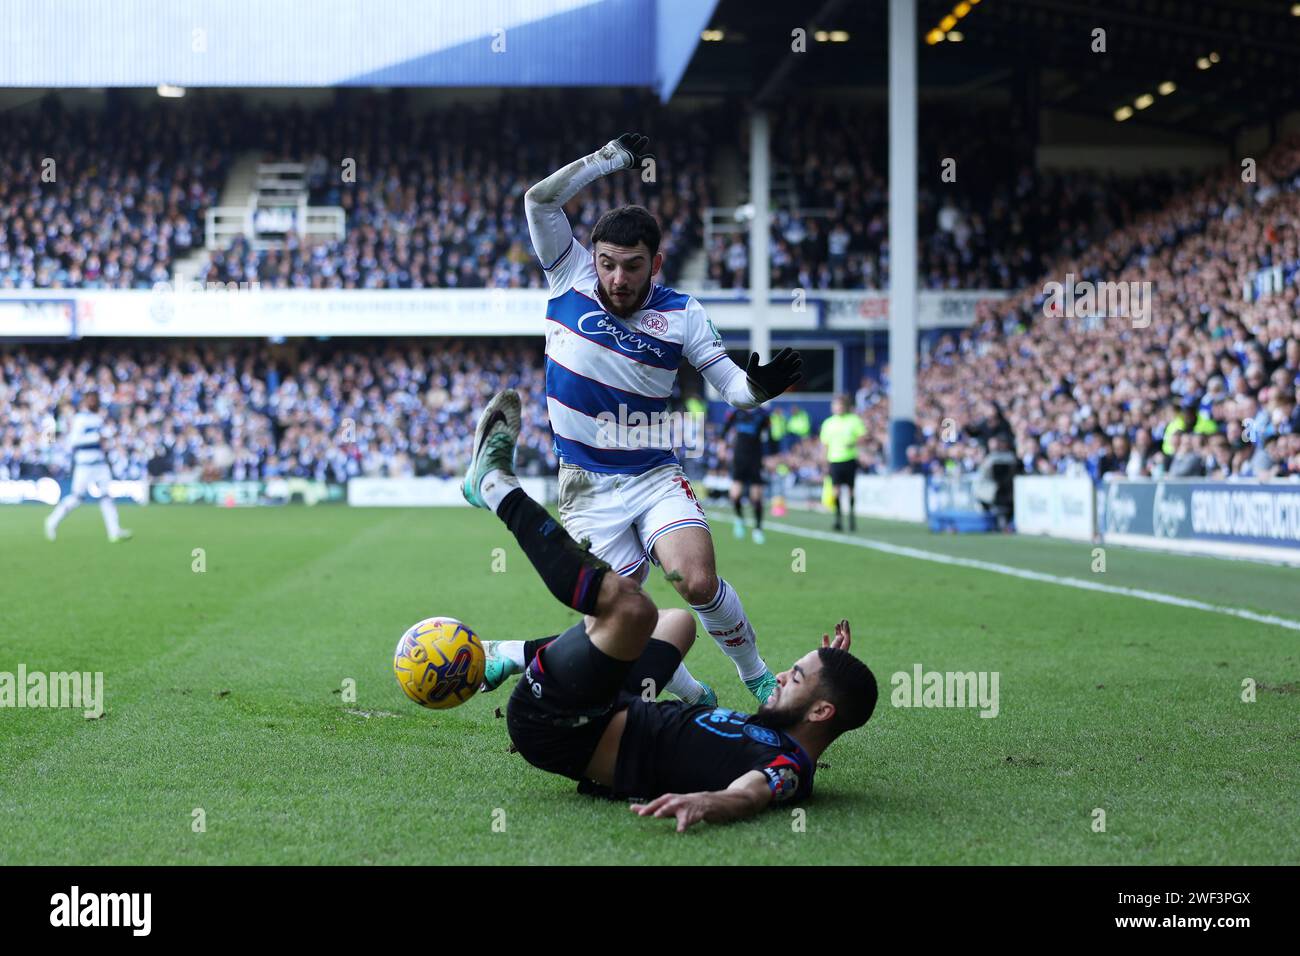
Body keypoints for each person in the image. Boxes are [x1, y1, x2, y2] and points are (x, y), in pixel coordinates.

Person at [462, 389, 878, 831]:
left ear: (820, 713)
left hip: (562, 727)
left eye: (795, 677)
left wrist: (711, 803)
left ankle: (496, 488)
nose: (780, 675)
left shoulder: (788, 765)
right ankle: (520, 657)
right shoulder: (775, 732)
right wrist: (837, 670)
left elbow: (753, 791)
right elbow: (811, 710)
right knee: (677, 621)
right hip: (612, 704)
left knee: (631, 607)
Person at [519, 132, 802, 705]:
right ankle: (695, 695)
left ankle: (757, 677)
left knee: (695, 580)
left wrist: (759, 389)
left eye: (632, 266)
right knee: (621, 616)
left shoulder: (683, 314)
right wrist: (607, 160)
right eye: (607, 264)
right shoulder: (567, 274)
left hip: (652, 472)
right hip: (585, 485)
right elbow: (539, 202)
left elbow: (732, 388)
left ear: (657, 263)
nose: (617, 278)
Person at [44, 393, 133, 543]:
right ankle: (52, 521)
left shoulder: (98, 418)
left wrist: (107, 439)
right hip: (84, 465)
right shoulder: (80, 419)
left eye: (95, 400)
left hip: (100, 463)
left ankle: (114, 532)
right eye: (91, 400)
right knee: (76, 497)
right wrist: (96, 437)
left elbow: (103, 439)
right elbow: (73, 441)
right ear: (85, 402)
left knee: (106, 496)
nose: (94, 402)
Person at [721, 406, 771, 544]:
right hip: (739, 457)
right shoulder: (736, 412)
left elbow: (769, 436)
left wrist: (770, 457)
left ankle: (758, 529)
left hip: (756, 457)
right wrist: (722, 447)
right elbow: (724, 429)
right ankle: (739, 519)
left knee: (756, 497)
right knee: (735, 495)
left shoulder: (763, 414)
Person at [818, 395, 866, 532]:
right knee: (836, 491)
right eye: (835, 405)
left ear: (845, 406)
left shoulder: (854, 420)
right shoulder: (828, 423)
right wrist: (824, 461)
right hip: (834, 460)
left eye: (839, 405)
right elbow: (825, 444)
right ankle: (838, 519)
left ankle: (851, 518)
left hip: (850, 459)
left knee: (851, 490)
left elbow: (862, 437)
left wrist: (853, 443)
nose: (837, 408)